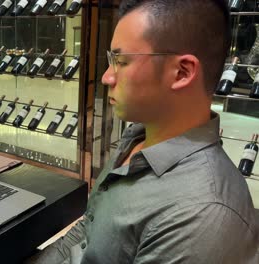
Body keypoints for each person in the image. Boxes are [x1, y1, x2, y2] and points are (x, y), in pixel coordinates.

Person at [29, 0, 259, 263]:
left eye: (121, 61)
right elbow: (86, 233)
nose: (106, 77)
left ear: (182, 72)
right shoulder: (138, 138)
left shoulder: (200, 216)